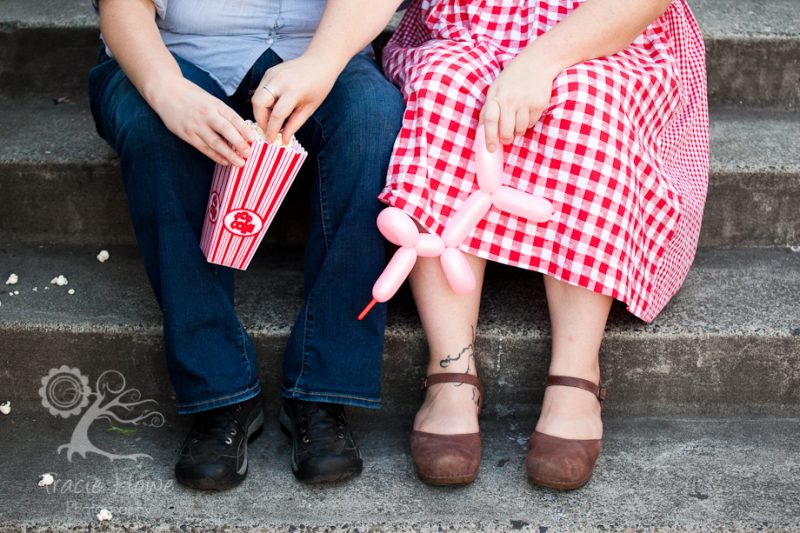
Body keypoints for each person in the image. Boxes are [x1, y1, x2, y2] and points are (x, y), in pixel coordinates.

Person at [379, 0, 708, 488]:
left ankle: (576, 376)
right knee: (446, 86)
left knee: (589, 97)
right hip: (471, 24)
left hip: (605, 27)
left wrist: (539, 60)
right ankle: (450, 369)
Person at [88, 0, 404, 489]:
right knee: (154, 131)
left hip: (324, 58)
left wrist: (321, 64)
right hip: (171, 59)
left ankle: (322, 390)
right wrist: (169, 91)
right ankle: (220, 394)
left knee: (373, 118)